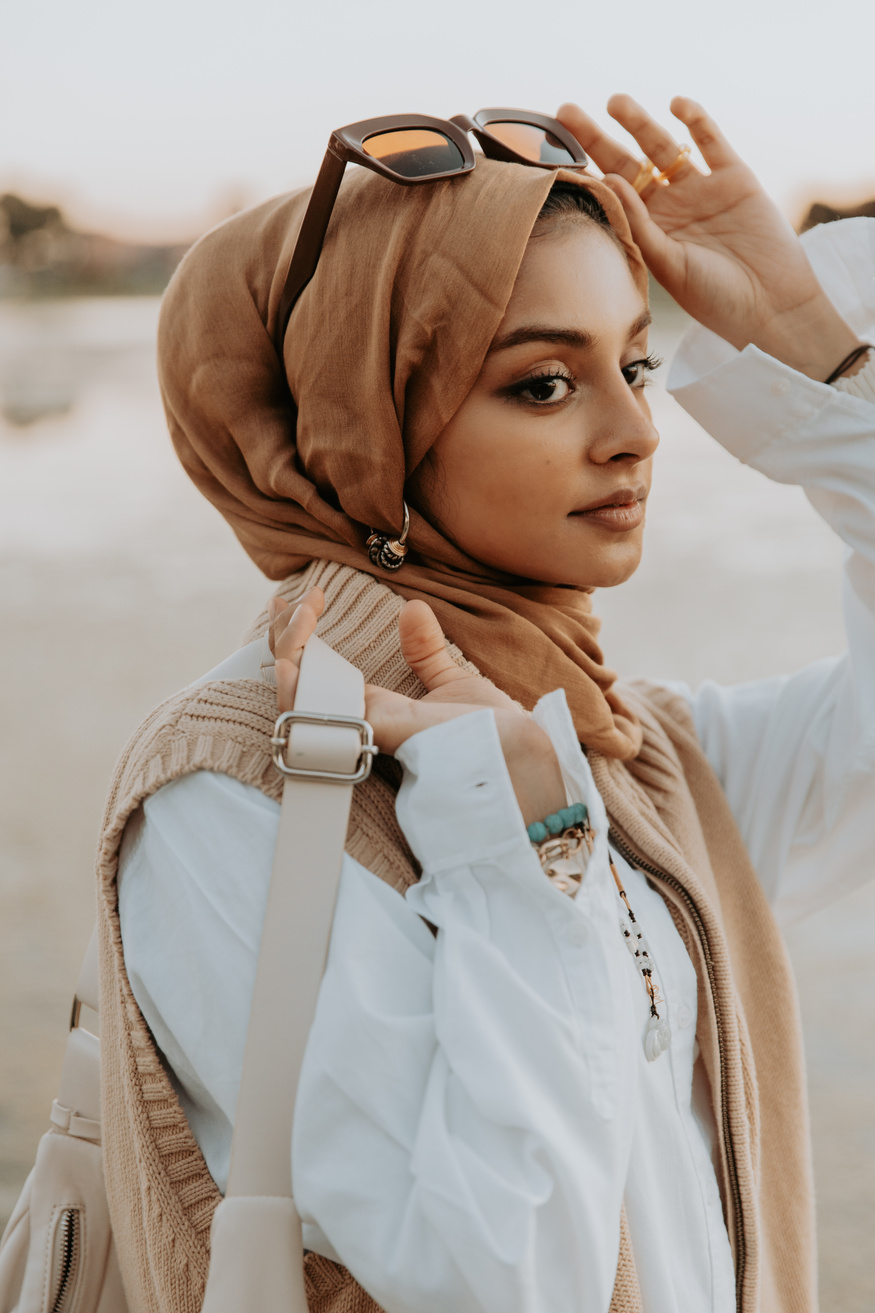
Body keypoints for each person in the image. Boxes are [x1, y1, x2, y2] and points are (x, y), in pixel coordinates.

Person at [98, 95, 875, 1313]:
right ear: (360, 423)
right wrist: (509, 832)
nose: (636, 433)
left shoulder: (638, 753)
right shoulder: (235, 789)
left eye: (635, 363)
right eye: (544, 384)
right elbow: (507, 1280)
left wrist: (818, 358)